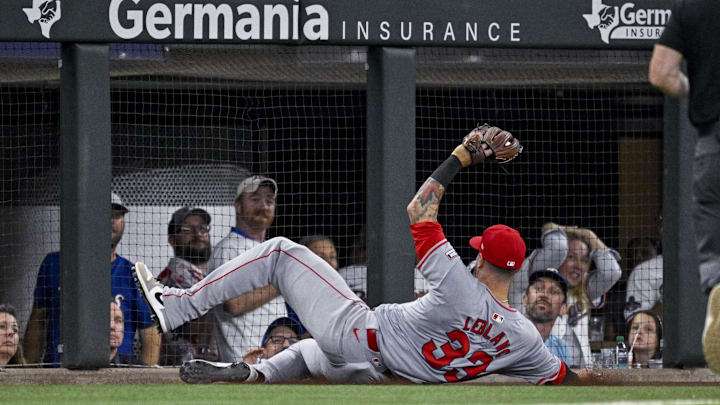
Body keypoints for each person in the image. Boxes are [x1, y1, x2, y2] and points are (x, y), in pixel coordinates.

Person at [136, 125, 591, 385]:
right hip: (382, 377)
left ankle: (176, 305)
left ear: (483, 259)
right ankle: (252, 377)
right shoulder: (522, 336)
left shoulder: (459, 283)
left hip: (360, 336)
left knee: (278, 251)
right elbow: (565, 380)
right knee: (311, 352)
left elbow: (419, 209)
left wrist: (462, 156)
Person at [648, 0, 720, 373]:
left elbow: (661, 74)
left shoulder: (691, 9)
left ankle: (719, 287)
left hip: (713, 142)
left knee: (715, 246)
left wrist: (700, 91)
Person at [24, 192, 160, 366]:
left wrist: (146, 378)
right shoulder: (54, 264)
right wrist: (29, 368)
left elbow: (150, 331)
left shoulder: (135, 274)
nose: (110, 220)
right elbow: (38, 320)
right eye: (103, 214)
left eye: (116, 215)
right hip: (60, 371)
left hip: (119, 375)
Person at [510, 222, 622, 368]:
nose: (579, 265)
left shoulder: (585, 290)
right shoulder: (529, 282)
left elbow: (612, 272)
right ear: (559, 258)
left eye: (584, 260)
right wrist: (562, 229)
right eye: (571, 257)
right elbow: (557, 247)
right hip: (534, 367)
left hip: (580, 371)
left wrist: (591, 237)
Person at [207, 175, 287, 362]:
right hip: (244, 362)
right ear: (238, 206)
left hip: (272, 360)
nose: (263, 206)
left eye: (269, 201)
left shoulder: (271, 249)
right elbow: (234, 304)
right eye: (255, 199)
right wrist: (281, 282)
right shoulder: (228, 249)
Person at [157, 207, 216, 365]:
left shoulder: (203, 276)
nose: (198, 234)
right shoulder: (176, 276)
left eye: (202, 228)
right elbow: (194, 325)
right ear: (172, 239)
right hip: (185, 369)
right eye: (187, 229)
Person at [522, 268, 570, 364]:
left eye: (554, 292)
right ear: (525, 299)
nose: (544, 295)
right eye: (539, 288)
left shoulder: (561, 347)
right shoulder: (507, 338)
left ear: (563, 308)